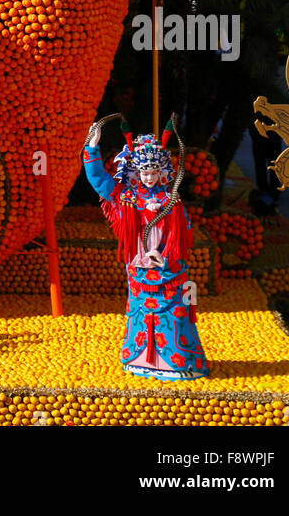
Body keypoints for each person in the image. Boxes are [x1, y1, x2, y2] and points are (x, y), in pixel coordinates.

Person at [83, 118, 209, 380]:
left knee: (172, 314)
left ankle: (176, 361)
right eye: (144, 173)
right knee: (140, 314)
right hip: (138, 270)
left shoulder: (171, 200)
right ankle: (140, 359)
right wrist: (92, 149)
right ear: (136, 172)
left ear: (162, 172)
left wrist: (164, 256)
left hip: (167, 270)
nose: (149, 178)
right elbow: (98, 181)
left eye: (153, 173)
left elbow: (183, 236)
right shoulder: (126, 196)